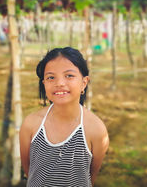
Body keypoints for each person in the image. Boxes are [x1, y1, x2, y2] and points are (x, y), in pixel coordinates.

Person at [19, 47, 109, 187]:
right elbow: (29, 170)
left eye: (69, 76)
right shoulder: (31, 124)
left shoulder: (96, 129)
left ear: (84, 83)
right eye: (51, 77)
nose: (59, 83)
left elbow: (90, 176)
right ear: (44, 84)